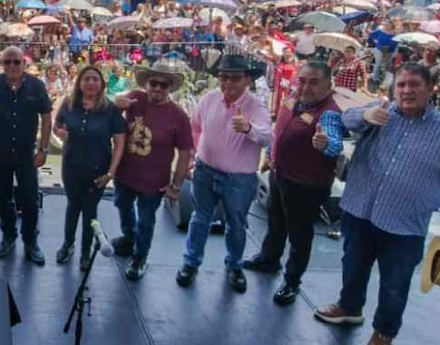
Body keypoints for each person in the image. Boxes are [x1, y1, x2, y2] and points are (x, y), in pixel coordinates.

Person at [314, 63, 440, 345]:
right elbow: (341, 119)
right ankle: (349, 307)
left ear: (430, 89)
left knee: (395, 284)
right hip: (360, 210)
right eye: (401, 85)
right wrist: (364, 115)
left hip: (405, 224)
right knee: (353, 266)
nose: (406, 91)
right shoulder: (380, 112)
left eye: (414, 84)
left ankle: (384, 333)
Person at [243, 61, 344, 304]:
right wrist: (271, 155)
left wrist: (326, 144)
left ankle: (292, 281)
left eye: (314, 82)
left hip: (306, 184)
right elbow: (279, 130)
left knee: (299, 235)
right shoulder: (292, 99)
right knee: (275, 220)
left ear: (328, 85)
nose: (306, 87)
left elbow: (334, 143)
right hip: (281, 174)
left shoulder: (329, 113)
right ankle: (269, 259)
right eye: (303, 81)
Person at [177, 54, 272, 292]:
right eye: (223, 77)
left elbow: (267, 137)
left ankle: (234, 266)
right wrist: (193, 156)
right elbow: (195, 128)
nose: (228, 83)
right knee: (200, 219)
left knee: (236, 225)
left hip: (239, 179)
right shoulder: (209, 98)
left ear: (247, 80)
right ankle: (191, 263)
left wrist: (248, 128)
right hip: (205, 171)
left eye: (234, 78)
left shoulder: (256, 107)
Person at [112, 61, 193, 280]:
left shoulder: (178, 116)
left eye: (163, 84)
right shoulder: (134, 99)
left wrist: (176, 186)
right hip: (124, 173)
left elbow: (185, 154)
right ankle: (128, 238)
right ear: (146, 83)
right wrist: (115, 105)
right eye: (153, 83)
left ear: (170, 87)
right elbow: (111, 113)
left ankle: (140, 257)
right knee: (122, 206)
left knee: (146, 220)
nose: (157, 88)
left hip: (154, 181)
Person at [0, 46, 52, 266]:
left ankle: (30, 241)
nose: (11, 66)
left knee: (29, 198)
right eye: (7, 62)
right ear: (1, 64)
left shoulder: (37, 86)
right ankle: (8, 237)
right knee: (3, 198)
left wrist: (44, 149)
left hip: (26, 153)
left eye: (16, 62)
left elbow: (47, 118)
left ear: (24, 63)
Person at [53, 65, 126, 271]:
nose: (91, 83)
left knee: (90, 211)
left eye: (95, 79)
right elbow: (57, 126)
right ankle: (68, 244)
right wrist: (59, 133)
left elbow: (120, 143)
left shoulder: (110, 109)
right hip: (71, 166)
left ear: (102, 84)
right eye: (86, 79)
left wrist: (110, 173)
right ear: (79, 83)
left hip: (98, 169)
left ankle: (85, 252)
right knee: (72, 206)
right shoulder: (68, 104)